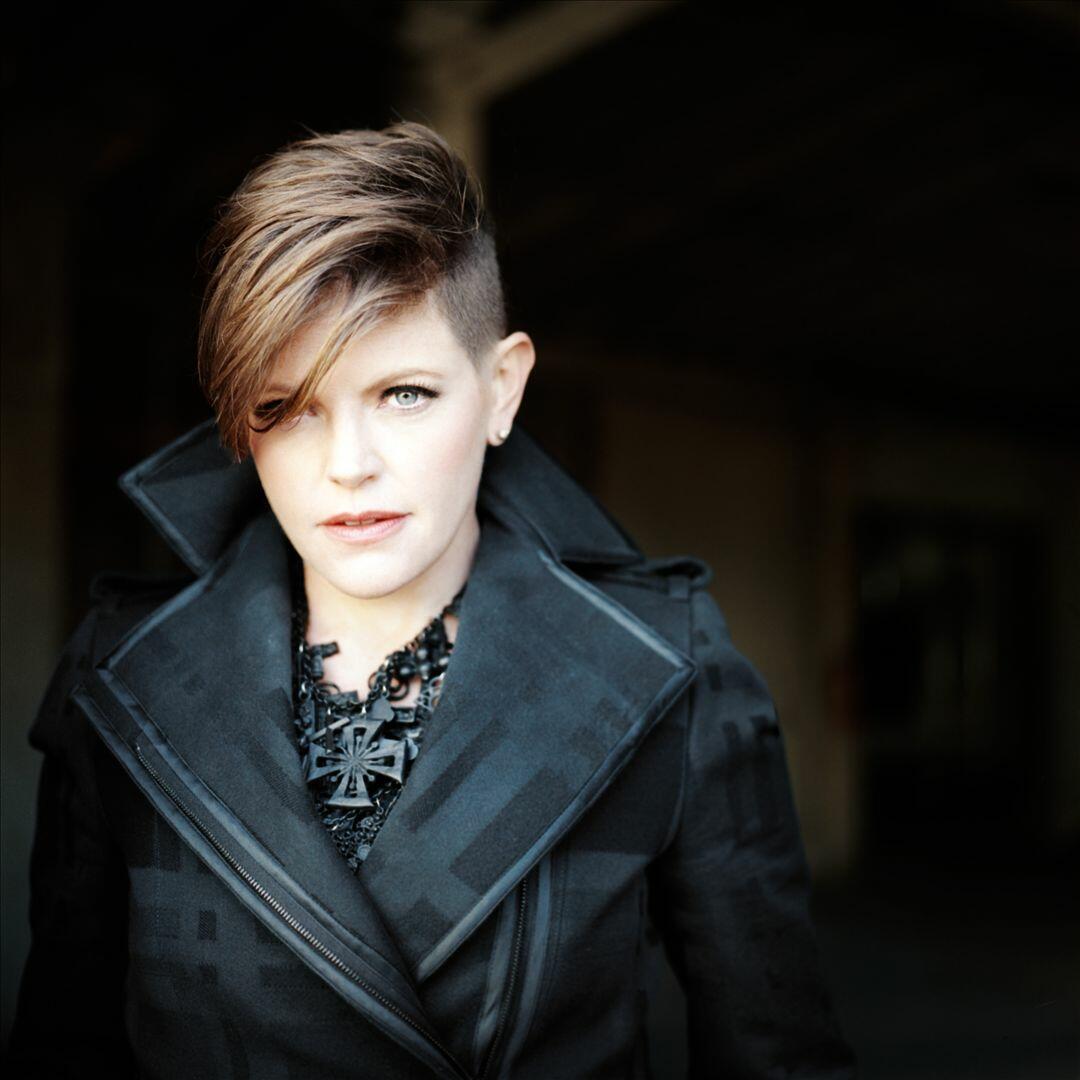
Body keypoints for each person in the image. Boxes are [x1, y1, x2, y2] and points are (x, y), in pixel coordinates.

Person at [7, 122, 856, 1079]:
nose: (348, 465)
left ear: (502, 389)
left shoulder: (667, 669)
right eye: (287, 407)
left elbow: (775, 1053)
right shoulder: (124, 676)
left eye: (403, 394)